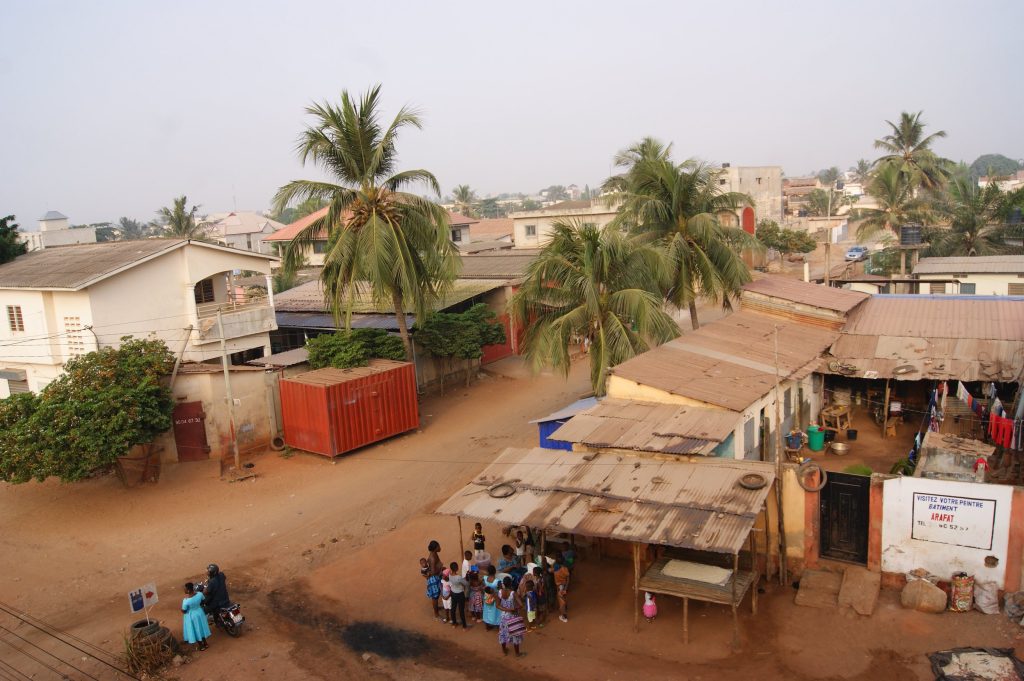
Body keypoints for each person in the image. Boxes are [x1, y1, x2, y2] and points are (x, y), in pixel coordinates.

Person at [496, 576, 525, 657]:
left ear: (504, 584)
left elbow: (497, 605)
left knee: (503, 633)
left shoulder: (500, 592)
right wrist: (513, 609)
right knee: (515, 633)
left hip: (503, 617)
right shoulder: (513, 593)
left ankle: (504, 650)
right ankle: (517, 653)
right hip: (512, 616)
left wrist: (506, 609)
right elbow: (521, 605)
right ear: (511, 583)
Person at [181, 583, 211, 651]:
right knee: (201, 628)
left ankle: (201, 646)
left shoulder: (186, 601)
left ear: (188, 590)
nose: (184, 590)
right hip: (200, 613)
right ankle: (205, 643)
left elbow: (183, 611)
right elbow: (203, 601)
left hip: (191, 616)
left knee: (196, 630)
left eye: (185, 589)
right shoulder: (200, 594)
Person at [425, 540, 444, 620]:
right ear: (435, 548)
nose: (440, 548)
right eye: (438, 546)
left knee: (437, 594)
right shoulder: (432, 558)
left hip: (436, 577)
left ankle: (437, 608)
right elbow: (433, 572)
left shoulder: (434, 554)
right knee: (435, 597)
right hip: (434, 578)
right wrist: (440, 568)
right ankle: (436, 615)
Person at [448, 562, 469, 629]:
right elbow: (466, 584)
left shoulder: (449, 575)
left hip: (453, 592)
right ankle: (464, 626)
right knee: (461, 610)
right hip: (459, 594)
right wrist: (467, 578)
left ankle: (454, 623)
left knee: (453, 608)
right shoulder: (458, 577)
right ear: (457, 568)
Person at [550, 554, 571, 623]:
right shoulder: (565, 569)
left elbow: (549, 570)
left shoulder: (555, 569)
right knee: (564, 598)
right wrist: (566, 587)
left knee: (561, 602)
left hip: (559, 587)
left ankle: (564, 617)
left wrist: (552, 563)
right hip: (565, 585)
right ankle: (565, 607)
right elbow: (568, 579)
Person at [482, 566, 502, 631]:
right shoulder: (497, 581)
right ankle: (497, 626)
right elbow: (500, 591)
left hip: (487, 597)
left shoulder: (485, 578)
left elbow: (483, 587)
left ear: (488, 572)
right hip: (495, 598)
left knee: (487, 611)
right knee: (496, 611)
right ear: (495, 572)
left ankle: (487, 627)